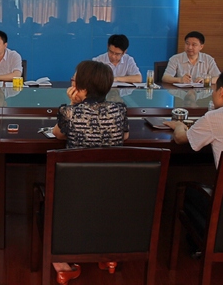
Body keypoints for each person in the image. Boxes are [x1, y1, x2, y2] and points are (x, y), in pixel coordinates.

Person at [51, 60, 129, 284]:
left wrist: (73, 105)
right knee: (104, 199)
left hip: (76, 189)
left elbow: (58, 133)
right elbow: (124, 136)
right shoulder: (119, 110)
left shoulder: (69, 112)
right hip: (111, 188)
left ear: (82, 87)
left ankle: (62, 264)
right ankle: (108, 257)